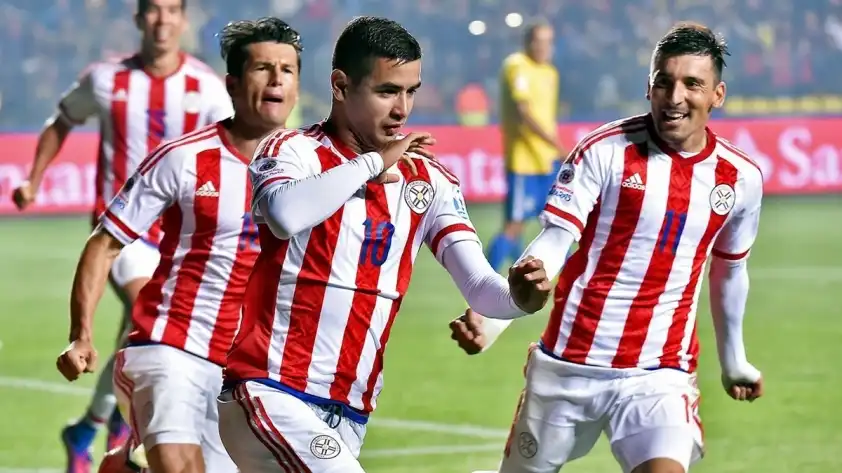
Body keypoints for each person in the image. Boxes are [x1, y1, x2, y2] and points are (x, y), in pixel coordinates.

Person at [216, 16, 553, 473]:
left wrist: (520, 300)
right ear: (340, 86)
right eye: (387, 91)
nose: (402, 109)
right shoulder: (293, 151)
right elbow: (283, 214)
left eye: (411, 91)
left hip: (349, 410)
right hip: (269, 390)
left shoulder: (428, 180)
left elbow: (479, 287)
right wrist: (374, 162)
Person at [451, 23, 765, 473]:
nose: (675, 97)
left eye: (692, 84)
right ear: (649, 87)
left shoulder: (740, 178)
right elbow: (554, 242)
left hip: (660, 373)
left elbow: (730, 270)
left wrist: (734, 361)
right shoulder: (604, 150)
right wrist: (500, 312)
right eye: (664, 82)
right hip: (568, 365)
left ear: (717, 94)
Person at [55, 16, 302, 473]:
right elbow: (104, 243)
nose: (276, 79)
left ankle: (122, 466)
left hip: (242, 372)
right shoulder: (184, 158)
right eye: (262, 68)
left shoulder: (316, 172)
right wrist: (81, 334)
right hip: (169, 345)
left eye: (287, 70)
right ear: (231, 84)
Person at [12, 2, 233, 469]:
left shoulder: (207, 88)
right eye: (153, 10)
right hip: (121, 230)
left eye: (172, 10)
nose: (162, 20)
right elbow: (62, 121)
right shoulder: (106, 79)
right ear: (138, 19)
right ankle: (128, 422)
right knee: (144, 309)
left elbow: (232, 147)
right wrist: (33, 179)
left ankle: (89, 426)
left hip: (178, 238)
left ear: (184, 20)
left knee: (138, 326)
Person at [486, 19, 566, 272]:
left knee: (557, 225)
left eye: (548, 42)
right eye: (539, 41)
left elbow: (546, 117)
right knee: (514, 226)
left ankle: (556, 284)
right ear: (527, 42)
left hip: (548, 162)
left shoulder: (550, 73)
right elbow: (524, 112)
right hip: (524, 162)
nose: (544, 47)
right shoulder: (517, 65)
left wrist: (555, 150)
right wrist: (558, 144)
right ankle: (481, 280)